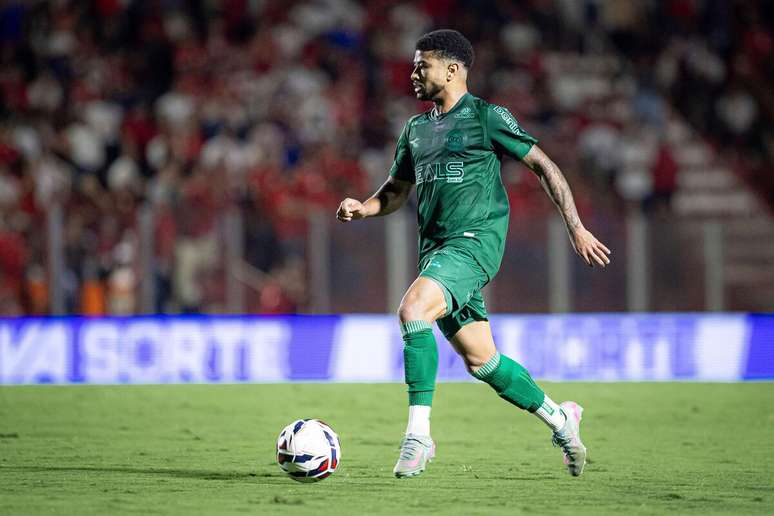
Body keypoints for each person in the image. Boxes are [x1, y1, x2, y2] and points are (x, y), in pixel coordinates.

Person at [336, 29, 611, 478]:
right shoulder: (415, 129)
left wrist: (575, 226)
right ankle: (562, 420)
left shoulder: (486, 116)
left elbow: (543, 164)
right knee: (483, 361)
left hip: (475, 243)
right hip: (437, 253)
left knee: (413, 310)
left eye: (420, 65)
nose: (413, 74)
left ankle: (418, 437)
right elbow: (397, 190)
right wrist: (363, 208)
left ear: (452, 69)